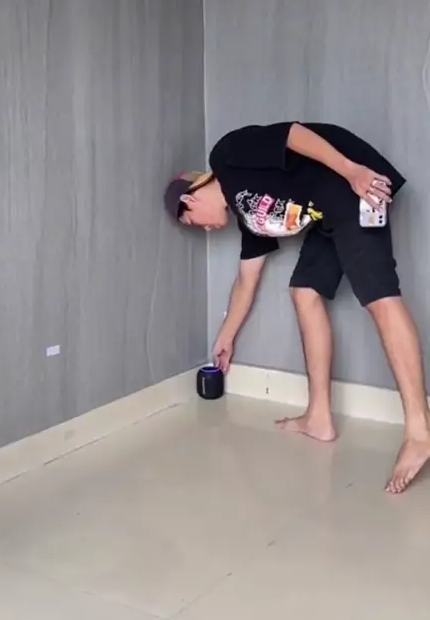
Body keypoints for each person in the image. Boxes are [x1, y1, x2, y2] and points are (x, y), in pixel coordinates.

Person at [164, 122, 430, 495]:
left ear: (190, 200)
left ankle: (420, 433)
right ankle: (319, 417)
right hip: (328, 213)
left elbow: (292, 134)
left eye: (195, 223)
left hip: (353, 185)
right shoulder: (248, 217)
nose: (205, 230)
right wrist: (226, 337)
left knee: (380, 296)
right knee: (304, 291)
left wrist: (352, 171)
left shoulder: (226, 156)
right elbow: (246, 280)